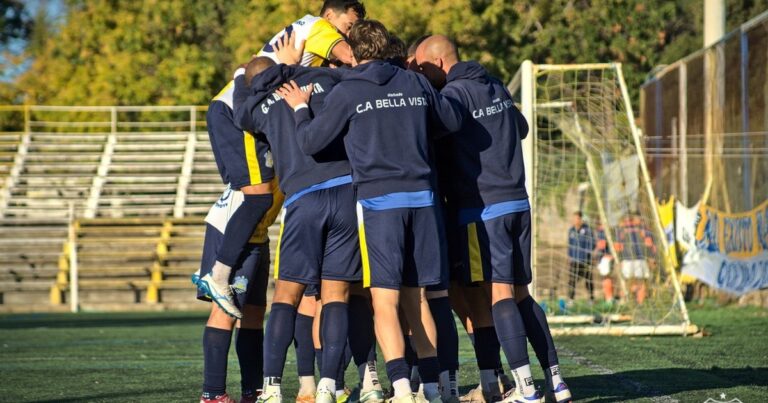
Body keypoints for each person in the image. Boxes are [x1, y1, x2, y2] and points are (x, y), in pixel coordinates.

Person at [277, 20, 465, 403]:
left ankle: (400, 388)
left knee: (384, 300)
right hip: (423, 201)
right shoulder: (414, 83)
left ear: (355, 50)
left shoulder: (348, 91)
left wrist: (299, 108)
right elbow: (451, 121)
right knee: (418, 298)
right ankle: (429, 387)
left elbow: (312, 142)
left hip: (380, 204)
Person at [413, 35, 572, 403]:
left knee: (497, 295)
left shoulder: (453, 97)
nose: (420, 74)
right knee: (520, 294)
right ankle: (556, 382)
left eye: (422, 68)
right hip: (518, 203)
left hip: (482, 210)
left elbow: (429, 135)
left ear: (438, 64)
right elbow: (521, 128)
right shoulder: (495, 85)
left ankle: (526, 389)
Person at [233, 49, 379, 403]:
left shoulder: (255, 105)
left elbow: (238, 112)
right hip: (347, 191)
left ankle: (271, 387)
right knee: (337, 294)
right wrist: (299, 66)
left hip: (303, 198)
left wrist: (241, 74)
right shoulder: (324, 78)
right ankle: (330, 385)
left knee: (287, 295)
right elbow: (354, 80)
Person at [196, 62, 279, 319]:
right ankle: (218, 275)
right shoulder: (316, 32)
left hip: (258, 232)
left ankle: (218, 275)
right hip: (235, 227)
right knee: (259, 196)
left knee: (254, 314)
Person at [258, 0, 366, 67]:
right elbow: (351, 58)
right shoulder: (320, 27)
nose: (349, 35)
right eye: (349, 26)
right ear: (329, 15)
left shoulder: (307, 23)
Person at [615, 213, 656, 304]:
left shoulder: (642, 229)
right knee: (631, 281)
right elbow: (619, 245)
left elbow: (649, 243)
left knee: (637, 281)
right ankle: (630, 300)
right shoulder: (622, 229)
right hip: (628, 259)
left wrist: (651, 257)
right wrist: (619, 259)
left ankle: (638, 302)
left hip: (638, 258)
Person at [567, 212, 595, 303]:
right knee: (572, 279)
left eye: (577, 218)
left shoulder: (587, 230)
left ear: (581, 219)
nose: (575, 220)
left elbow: (591, 244)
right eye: (574, 218)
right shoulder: (571, 230)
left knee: (588, 279)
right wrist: (569, 256)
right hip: (574, 260)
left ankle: (591, 298)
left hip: (585, 259)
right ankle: (571, 299)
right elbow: (570, 245)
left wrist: (588, 254)